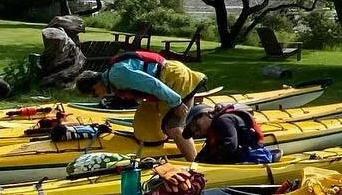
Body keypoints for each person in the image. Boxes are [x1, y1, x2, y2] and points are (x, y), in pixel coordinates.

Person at [75, 50, 209, 158]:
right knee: (145, 117)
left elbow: (153, 84)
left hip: (175, 80)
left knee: (173, 127)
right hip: (168, 80)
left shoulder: (116, 76)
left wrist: (177, 103)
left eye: (93, 93)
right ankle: (156, 145)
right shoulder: (113, 78)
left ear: (96, 84)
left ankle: (195, 163)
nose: (96, 96)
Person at [183, 101, 267, 164]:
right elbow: (208, 150)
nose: (196, 132)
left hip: (252, 157)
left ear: (205, 114)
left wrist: (207, 162)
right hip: (240, 158)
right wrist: (197, 162)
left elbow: (230, 146)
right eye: (194, 133)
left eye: (196, 126)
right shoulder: (213, 128)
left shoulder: (224, 120)